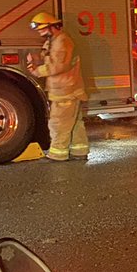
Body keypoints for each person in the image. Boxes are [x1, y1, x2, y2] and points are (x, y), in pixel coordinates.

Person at [27, 12, 89, 161]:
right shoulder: (52, 41)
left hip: (65, 91)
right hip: (66, 89)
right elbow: (48, 56)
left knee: (59, 123)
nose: (40, 32)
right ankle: (79, 151)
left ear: (51, 26)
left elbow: (59, 65)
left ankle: (57, 154)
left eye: (42, 29)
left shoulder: (62, 41)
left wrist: (37, 71)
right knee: (74, 123)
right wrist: (36, 58)